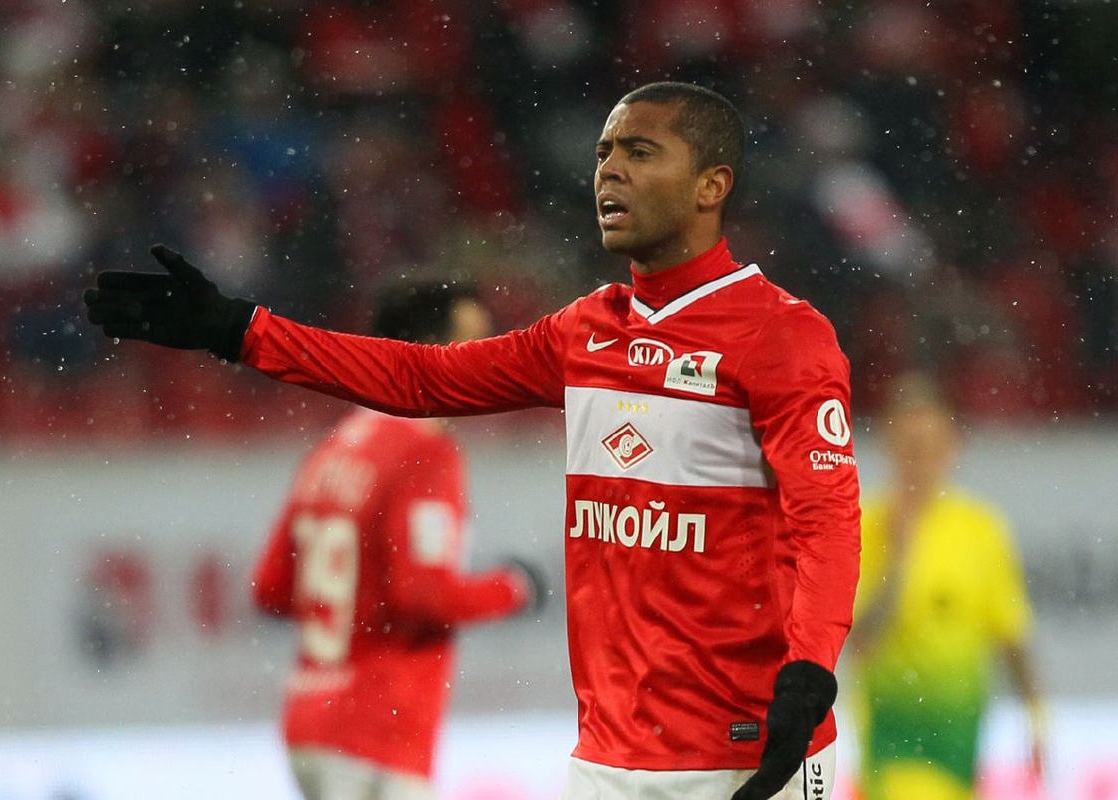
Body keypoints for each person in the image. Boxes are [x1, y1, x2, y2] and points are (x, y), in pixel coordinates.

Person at [84, 81, 862, 800]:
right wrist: (241, 330)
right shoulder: (587, 331)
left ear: (711, 186)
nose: (610, 171)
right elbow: (422, 377)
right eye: (603, 152)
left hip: (750, 748)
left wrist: (810, 670)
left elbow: (827, 518)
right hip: (608, 759)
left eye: (640, 151)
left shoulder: (781, 337)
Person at [249, 279, 545, 800]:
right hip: (378, 736)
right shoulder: (424, 449)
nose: (487, 360)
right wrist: (515, 588)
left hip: (310, 722)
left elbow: (271, 589)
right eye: (472, 344)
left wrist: (355, 611)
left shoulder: (335, 447)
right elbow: (421, 595)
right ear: (426, 351)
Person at [848, 372, 1044, 800]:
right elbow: (860, 643)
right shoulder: (862, 526)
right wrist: (898, 559)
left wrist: (1036, 718)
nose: (919, 463)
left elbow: (1012, 637)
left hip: (958, 736)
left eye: (930, 448)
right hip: (890, 736)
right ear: (890, 446)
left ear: (952, 448)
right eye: (909, 448)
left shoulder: (981, 530)